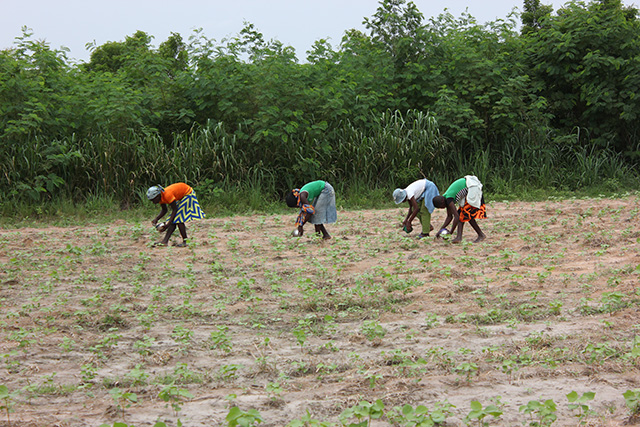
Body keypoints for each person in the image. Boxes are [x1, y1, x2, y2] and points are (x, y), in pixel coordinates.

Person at [146, 182, 205, 247]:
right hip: (182, 196)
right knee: (174, 219)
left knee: (179, 219)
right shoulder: (161, 197)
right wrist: (156, 219)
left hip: (188, 194)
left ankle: (185, 241)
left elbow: (175, 210)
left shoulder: (167, 195)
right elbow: (164, 210)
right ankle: (165, 241)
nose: (153, 202)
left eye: (153, 200)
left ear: (158, 195)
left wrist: (167, 225)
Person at [432, 175, 486, 243]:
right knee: (463, 215)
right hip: (469, 189)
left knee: (466, 215)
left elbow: (456, 216)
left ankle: (480, 235)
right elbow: (449, 217)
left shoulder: (448, 199)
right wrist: (440, 230)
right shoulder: (446, 198)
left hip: (472, 187)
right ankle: (459, 237)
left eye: (441, 207)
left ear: (442, 203)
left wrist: (451, 232)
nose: (443, 208)